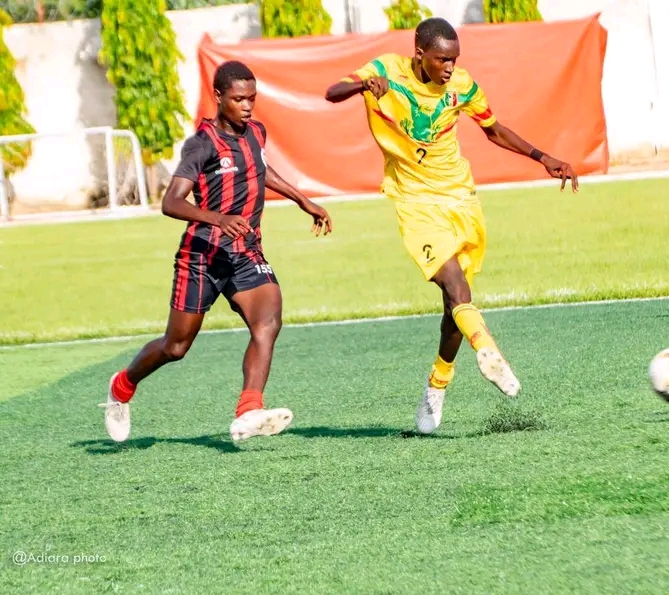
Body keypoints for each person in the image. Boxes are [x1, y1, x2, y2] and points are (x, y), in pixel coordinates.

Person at [325, 18, 578, 435]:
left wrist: (542, 156)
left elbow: (493, 128)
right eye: (442, 59)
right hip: (415, 201)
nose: (448, 67)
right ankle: (489, 352)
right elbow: (331, 92)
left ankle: (437, 385)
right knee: (456, 288)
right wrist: (364, 87)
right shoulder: (386, 70)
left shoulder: (461, 84)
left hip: (460, 198)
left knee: (455, 308)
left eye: (454, 59)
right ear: (419, 52)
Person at [102, 60, 332, 443]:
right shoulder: (202, 144)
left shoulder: (256, 131)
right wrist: (217, 219)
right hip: (201, 257)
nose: (247, 106)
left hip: (245, 252)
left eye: (252, 98)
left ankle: (248, 411)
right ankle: (122, 386)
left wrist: (302, 200)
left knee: (268, 321)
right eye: (239, 99)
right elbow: (171, 202)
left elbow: (258, 169)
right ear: (219, 96)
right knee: (175, 347)